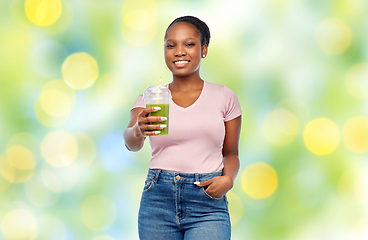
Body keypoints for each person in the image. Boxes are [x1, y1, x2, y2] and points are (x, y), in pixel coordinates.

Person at [123, 15, 242, 240]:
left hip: (207, 200)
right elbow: (131, 143)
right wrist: (139, 129)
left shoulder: (225, 97)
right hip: (158, 199)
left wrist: (229, 179)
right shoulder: (151, 97)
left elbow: (231, 152)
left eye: (189, 44)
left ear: (203, 49)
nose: (179, 51)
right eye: (171, 45)